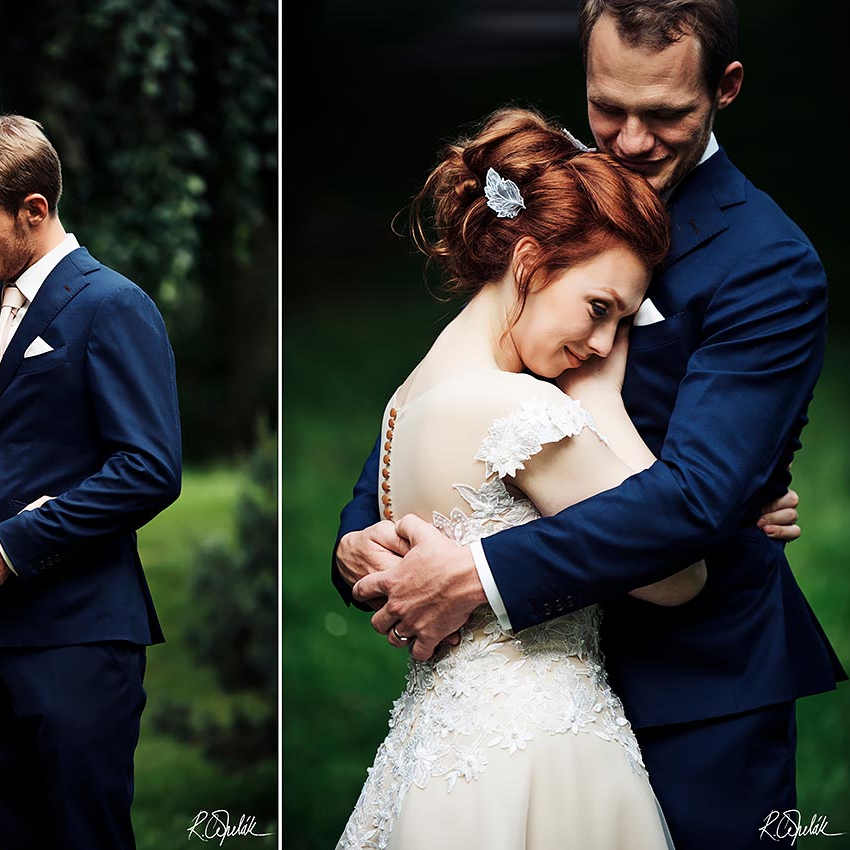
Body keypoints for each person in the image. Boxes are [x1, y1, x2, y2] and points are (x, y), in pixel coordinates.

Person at [334, 2, 846, 847]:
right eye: (609, 107)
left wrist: (477, 573)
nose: (632, 142)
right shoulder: (557, 202)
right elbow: (458, 385)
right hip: (524, 695)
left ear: (726, 88)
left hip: (696, 683)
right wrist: (363, 538)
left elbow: (696, 500)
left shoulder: (769, 265)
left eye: (667, 114)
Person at [336, 105, 686, 850]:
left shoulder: (410, 396)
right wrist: (599, 405)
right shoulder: (519, 411)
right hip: (538, 752)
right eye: (598, 309)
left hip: (441, 756)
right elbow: (678, 569)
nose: (601, 343)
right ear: (528, 264)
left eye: (622, 324)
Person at [0, 115, 182, 850]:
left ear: (34, 210)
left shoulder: (113, 305)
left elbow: (150, 471)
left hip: (78, 637)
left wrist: (8, 546)